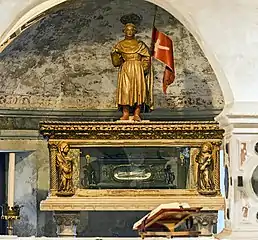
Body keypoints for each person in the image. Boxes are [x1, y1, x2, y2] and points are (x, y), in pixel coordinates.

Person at [111, 19, 153, 121]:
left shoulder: (140, 45)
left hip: (138, 69)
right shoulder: (120, 45)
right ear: (124, 31)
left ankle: (137, 113)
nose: (129, 32)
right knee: (125, 91)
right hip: (125, 69)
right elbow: (116, 63)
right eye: (127, 30)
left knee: (139, 91)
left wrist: (143, 68)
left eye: (131, 30)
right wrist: (114, 54)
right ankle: (125, 113)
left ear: (135, 31)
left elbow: (147, 57)